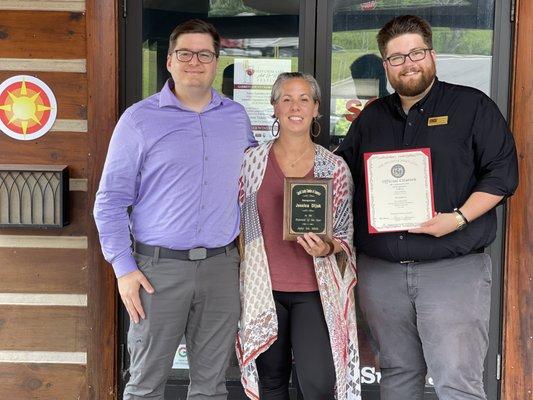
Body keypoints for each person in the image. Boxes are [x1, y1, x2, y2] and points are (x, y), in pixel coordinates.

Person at [336, 15, 518, 400]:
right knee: (398, 376)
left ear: (432, 54)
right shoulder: (372, 118)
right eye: (396, 57)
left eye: (416, 52)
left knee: (457, 383)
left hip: (452, 271)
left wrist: (458, 218)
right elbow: (342, 177)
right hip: (382, 275)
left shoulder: (472, 106)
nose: (408, 63)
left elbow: (502, 175)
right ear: (386, 65)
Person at [93, 19, 255, 400]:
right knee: (146, 384)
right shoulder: (139, 120)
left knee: (212, 385)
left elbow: (251, 184)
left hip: (221, 268)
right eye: (185, 53)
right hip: (156, 271)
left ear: (216, 62)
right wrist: (123, 269)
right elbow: (110, 200)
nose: (194, 61)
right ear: (169, 61)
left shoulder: (236, 118)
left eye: (204, 54)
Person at [236, 72, 361, 400]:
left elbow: (345, 232)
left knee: (317, 385)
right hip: (263, 291)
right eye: (287, 99)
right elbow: (235, 224)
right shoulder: (252, 162)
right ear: (274, 106)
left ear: (316, 108)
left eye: (304, 99)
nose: (295, 106)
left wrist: (328, 246)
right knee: (272, 382)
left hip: (313, 291)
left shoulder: (331, 167)